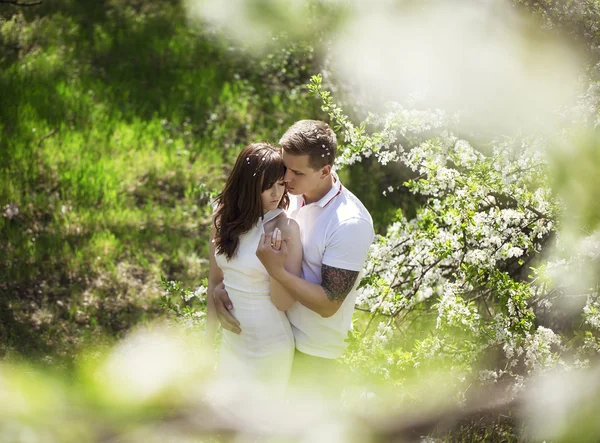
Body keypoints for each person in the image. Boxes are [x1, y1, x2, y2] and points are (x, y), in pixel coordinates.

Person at [213, 120, 374, 386]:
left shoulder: (348, 222)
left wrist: (276, 271)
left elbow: (328, 303)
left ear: (324, 171)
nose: (286, 179)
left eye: (296, 173)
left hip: (314, 354)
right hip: (266, 334)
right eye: (285, 168)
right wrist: (225, 288)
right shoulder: (287, 193)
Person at [206, 142, 302, 397]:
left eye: (280, 184)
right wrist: (204, 346)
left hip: (271, 345)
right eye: (266, 186)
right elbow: (214, 283)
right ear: (248, 185)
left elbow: (285, 302)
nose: (276, 193)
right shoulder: (223, 218)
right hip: (232, 341)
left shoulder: (286, 227)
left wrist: (275, 267)